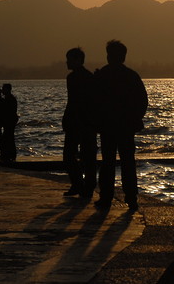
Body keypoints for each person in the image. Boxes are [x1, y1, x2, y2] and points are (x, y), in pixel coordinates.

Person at [95, 40, 148, 211]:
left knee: (108, 163)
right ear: (124, 56)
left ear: (109, 55)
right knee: (127, 163)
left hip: (108, 126)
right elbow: (142, 102)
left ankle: (106, 197)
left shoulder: (102, 75)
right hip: (125, 127)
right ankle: (131, 198)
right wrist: (135, 119)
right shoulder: (131, 76)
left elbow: (93, 102)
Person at [63, 47, 100, 198]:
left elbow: (84, 102)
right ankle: (80, 185)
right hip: (77, 121)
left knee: (86, 156)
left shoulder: (85, 78)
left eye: (69, 59)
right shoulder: (75, 78)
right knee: (76, 156)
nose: (67, 62)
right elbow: (71, 101)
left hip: (84, 122)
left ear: (78, 60)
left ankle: (85, 186)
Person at [0, 83, 19, 161]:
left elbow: (9, 111)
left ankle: (10, 155)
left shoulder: (9, 99)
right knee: (8, 137)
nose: (2, 91)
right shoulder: (9, 98)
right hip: (10, 120)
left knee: (8, 137)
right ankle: (8, 154)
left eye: (3, 89)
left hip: (10, 121)